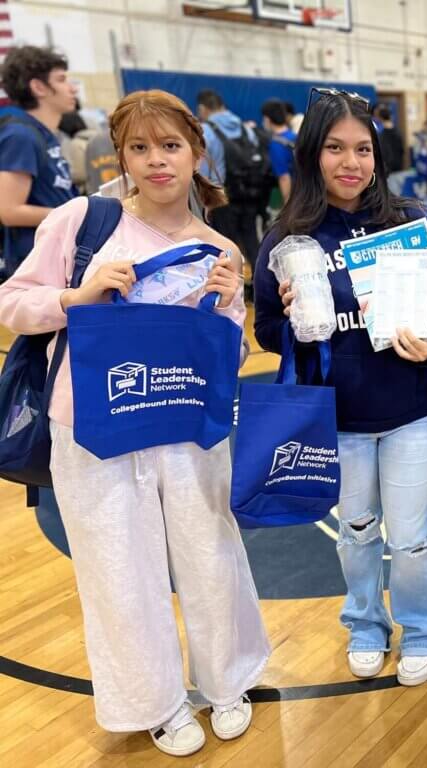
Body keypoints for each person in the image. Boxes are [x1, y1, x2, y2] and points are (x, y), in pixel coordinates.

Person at [0, 89, 269, 758]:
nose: (157, 161)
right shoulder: (81, 223)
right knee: (120, 571)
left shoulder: (219, 248)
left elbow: (228, 359)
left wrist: (230, 312)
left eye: (170, 146)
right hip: (94, 430)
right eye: (140, 148)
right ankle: (158, 703)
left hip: (185, 430)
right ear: (119, 156)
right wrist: (79, 296)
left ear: (195, 152)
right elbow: (14, 304)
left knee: (211, 558)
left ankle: (226, 681)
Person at [253, 88, 427, 688]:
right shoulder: (287, 239)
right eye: (335, 148)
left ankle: (426, 629)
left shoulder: (406, 222)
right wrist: (292, 321)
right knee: (354, 531)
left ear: (377, 156)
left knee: (412, 537)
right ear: (311, 154)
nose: (351, 162)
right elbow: (267, 329)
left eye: (363, 149)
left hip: (409, 411)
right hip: (336, 418)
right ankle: (366, 624)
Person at [0, 46, 79, 279]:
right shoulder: (20, 135)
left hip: (56, 253)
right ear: (39, 87)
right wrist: (78, 214)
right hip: (36, 263)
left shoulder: (40, 132)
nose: (72, 88)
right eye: (62, 79)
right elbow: (9, 211)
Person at [197, 88, 266, 273]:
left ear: (203, 109)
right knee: (252, 240)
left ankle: (234, 290)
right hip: (250, 193)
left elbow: (203, 171)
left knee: (225, 245)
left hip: (222, 197)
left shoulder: (205, 132)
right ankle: (260, 284)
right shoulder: (245, 128)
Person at [260, 98, 297, 205]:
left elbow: (284, 177)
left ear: (267, 119)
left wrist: (287, 207)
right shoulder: (295, 136)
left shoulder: (276, 144)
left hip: (292, 196)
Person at [377, 105, 406, 175]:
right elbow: (402, 150)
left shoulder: (381, 134)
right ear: (390, 116)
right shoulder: (398, 132)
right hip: (399, 166)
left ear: (380, 118)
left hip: (387, 168)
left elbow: (382, 152)